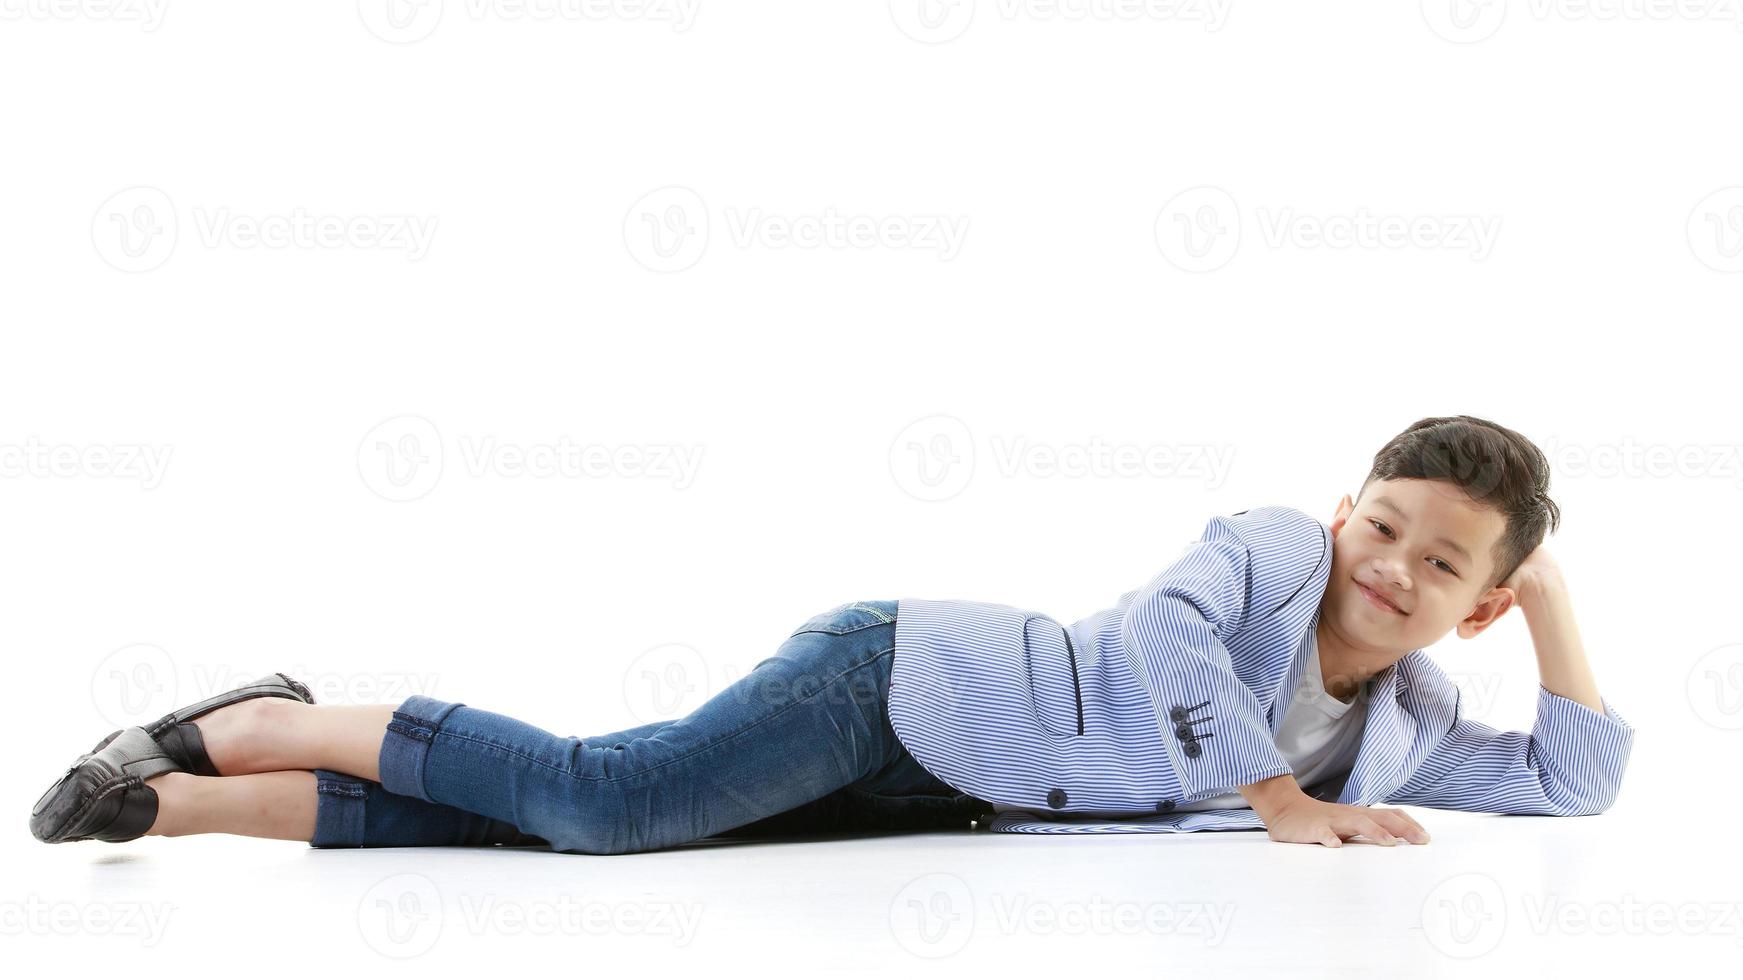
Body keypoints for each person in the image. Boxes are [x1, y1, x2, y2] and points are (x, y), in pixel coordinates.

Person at [30, 415, 1634, 852]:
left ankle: (184, 801)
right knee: (611, 794)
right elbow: (1158, 644)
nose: (1387, 570)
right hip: (905, 680)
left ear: (1477, 604)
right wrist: (1276, 803)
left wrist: (1554, 593)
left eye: (1440, 569)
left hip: (941, 791)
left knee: (558, 835)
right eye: (1381, 525)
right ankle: (283, 718)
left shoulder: (1409, 728)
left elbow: (1569, 789)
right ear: (1340, 509)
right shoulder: (1267, 550)